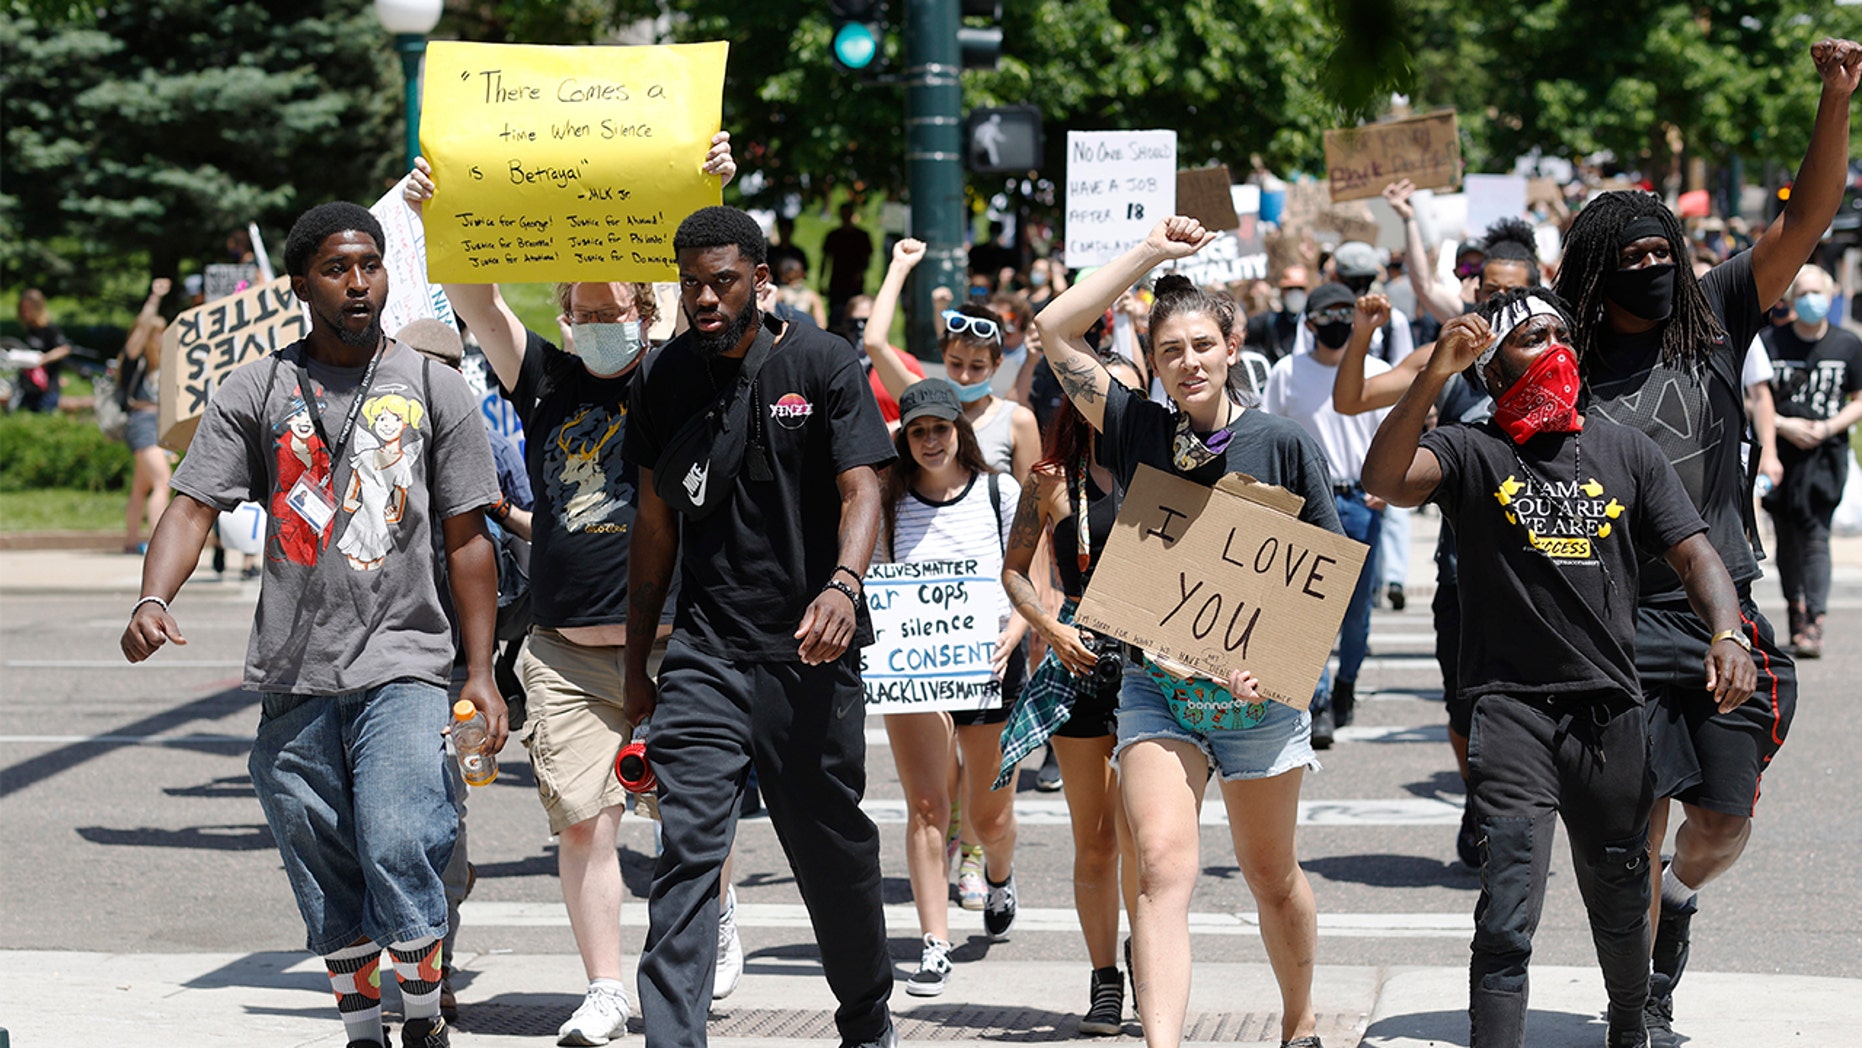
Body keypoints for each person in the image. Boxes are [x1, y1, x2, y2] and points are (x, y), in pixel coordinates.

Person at [120, 201, 505, 1048]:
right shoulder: (256, 389)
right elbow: (190, 507)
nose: (359, 282)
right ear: (301, 283)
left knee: (402, 834)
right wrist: (154, 599)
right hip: (294, 672)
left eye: (370, 264)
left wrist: (477, 673)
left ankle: (421, 1008)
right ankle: (363, 1024)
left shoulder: (435, 385)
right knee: (317, 846)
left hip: (406, 659)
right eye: (337, 268)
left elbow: (469, 540)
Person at [405, 135, 743, 1046]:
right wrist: (440, 211)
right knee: (584, 824)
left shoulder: (673, 374)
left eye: (615, 308)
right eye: (583, 309)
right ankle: (604, 987)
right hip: (564, 652)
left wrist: (708, 189)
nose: (599, 320)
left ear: (644, 313)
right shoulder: (546, 379)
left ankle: (713, 919)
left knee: (689, 818)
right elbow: (476, 301)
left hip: (677, 640)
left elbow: (705, 293)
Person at [1553, 40, 1858, 1047]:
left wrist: (1832, 97)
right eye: (1628, 252)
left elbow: (1804, 218)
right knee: (1624, 834)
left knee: (1720, 818)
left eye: (1659, 247)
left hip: (1719, 608)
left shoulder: (1717, 312)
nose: (1650, 261)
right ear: (1595, 272)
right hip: (1612, 620)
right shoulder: (1567, 356)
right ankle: (1631, 1002)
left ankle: (1678, 902)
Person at [1361, 288, 1757, 1048]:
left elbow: (1694, 549)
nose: (1554, 346)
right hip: (1510, 708)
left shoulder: (1624, 450)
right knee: (1509, 901)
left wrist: (1729, 632)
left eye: (1560, 333)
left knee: (1619, 896)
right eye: (1530, 337)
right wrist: (1431, 374)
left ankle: (1627, 1026)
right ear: (1493, 367)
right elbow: (1384, 479)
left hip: (1610, 714)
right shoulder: (1473, 451)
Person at [1034, 216, 1339, 1048]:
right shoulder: (1136, 427)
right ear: (1154, 361)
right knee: (1163, 866)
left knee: (1272, 878)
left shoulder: (1281, 443)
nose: (1189, 362)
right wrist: (1150, 259)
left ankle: (1300, 1018)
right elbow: (1052, 330)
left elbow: (1326, 573)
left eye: (1203, 345)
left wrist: (1278, 666)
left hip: (1258, 706)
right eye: (1171, 352)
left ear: (1232, 345)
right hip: (1157, 691)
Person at [622, 205, 898, 1048]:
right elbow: (654, 531)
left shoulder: (821, 362)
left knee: (829, 848)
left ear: (759, 281)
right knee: (687, 856)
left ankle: (866, 1017)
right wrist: (640, 663)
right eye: (691, 284)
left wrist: (845, 586)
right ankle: (674, 1038)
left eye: (722, 282)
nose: (704, 299)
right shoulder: (662, 378)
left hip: (809, 656)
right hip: (706, 652)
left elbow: (864, 490)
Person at [998, 350, 1145, 1035]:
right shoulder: (1051, 480)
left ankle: (1149, 958)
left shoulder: (1170, 470)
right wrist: (1048, 626)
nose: (1112, 405)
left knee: (1150, 837)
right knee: (1094, 841)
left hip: (1158, 669)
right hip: (1084, 660)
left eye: (1128, 395)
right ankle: (1105, 978)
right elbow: (1015, 571)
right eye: (1099, 393)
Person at [877, 379, 1026, 997]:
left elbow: (1029, 583)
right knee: (927, 806)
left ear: (959, 430)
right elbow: (876, 578)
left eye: (940, 428)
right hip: (916, 669)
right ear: (904, 438)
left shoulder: (1001, 491)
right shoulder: (885, 501)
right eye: (917, 431)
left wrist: (1014, 637)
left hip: (990, 667)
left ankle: (998, 870)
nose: (930, 441)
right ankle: (933, 942)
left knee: (991, 817)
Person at [1262, 283, 1392, 745]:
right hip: (1304, 501)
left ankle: (1346, 684)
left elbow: (1395, 433)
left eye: (1344, 314)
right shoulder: (1286, 372)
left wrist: (1386, 487)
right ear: (1310, 323)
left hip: (1359, 500)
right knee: (1305, 608)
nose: (1335, 323)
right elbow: (1270, 430)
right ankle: (1314, 699)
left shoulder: (1376, 371)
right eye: (1327, 315)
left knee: (1355, 612)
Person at [1759, 263, 1862, 657]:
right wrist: (1783, 426)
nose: (1810, 301)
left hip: (1825, 454)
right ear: (1789, 299)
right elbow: (1755, 397)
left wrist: (1828, 427)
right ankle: (1795, 612)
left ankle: (1815, 620)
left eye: (1817, 292)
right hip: (1780, 452)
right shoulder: (1771, 342)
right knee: (1786, 537)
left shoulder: (1847, 345)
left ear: (1832, 296)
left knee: (1817, 535)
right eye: (1802, 293)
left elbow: (1858, 400)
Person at [120, 277, 173, 554]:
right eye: (159, 332)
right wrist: (155, 298)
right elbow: (140, 329)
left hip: (157, 425)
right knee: (162, 481)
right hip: (142, 422)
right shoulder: (136, 357)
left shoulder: (165, 364)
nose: (163, 338)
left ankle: (130, 541)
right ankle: (157, 545)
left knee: (141, 487)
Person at [833, 294, 926, 425]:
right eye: (853, 323)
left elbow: (925, 410)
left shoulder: (904, 363)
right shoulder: (835, 363)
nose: (860, 328)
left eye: (866, 321)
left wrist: (891, 429)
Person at [14, 289, 71, 413]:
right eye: (23, 309)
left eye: (28, 309)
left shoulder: (49, 328)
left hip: (48, 386)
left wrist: (44, 359)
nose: (25, 313)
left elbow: (65, 349)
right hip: (31, 385)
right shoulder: (31, 328)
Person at [821, 200, 876, 327]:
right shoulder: (833, 236)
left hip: (854, 281)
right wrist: (822, 279)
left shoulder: (861, 236)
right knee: (836, 315)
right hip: (837, 280)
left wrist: (861, 273)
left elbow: (867, 258)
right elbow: (826, 259)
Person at [1244, 266, 1311, 364]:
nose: (1295, 293)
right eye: (1290, 288)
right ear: (1282, 291)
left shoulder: (1314, 322)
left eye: (1300, 288)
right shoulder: (1269, 321)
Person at [777, 256, 829, 328]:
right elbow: (822, 323)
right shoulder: (812, 296)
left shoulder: (779, 294)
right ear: (802, 274)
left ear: (783, 276)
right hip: (806, 332)